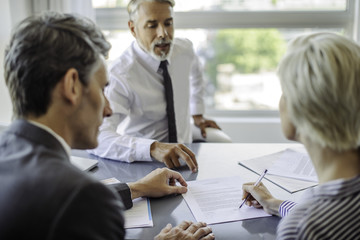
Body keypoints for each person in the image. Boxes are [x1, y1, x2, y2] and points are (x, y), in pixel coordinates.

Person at [0, 12, 215, 240]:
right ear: (72, 86)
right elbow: (79, 202)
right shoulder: (83, 198)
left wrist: (137, 188)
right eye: (102, 89)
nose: (108, 109)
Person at [241, 32, 360, 239]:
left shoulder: (301, 229)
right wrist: (274, 204)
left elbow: (313, 223)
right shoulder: (313, 219)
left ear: (303, 109)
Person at [89, 0, 231, 172]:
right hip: (144, 166)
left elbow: (196, 74)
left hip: (187, 160)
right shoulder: (121, 74)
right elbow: (98, 137)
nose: (163, 33)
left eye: (168, 23)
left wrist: (198, 113)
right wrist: (153, 148)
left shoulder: (184, 49)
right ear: (133, 29)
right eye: (152, 25)